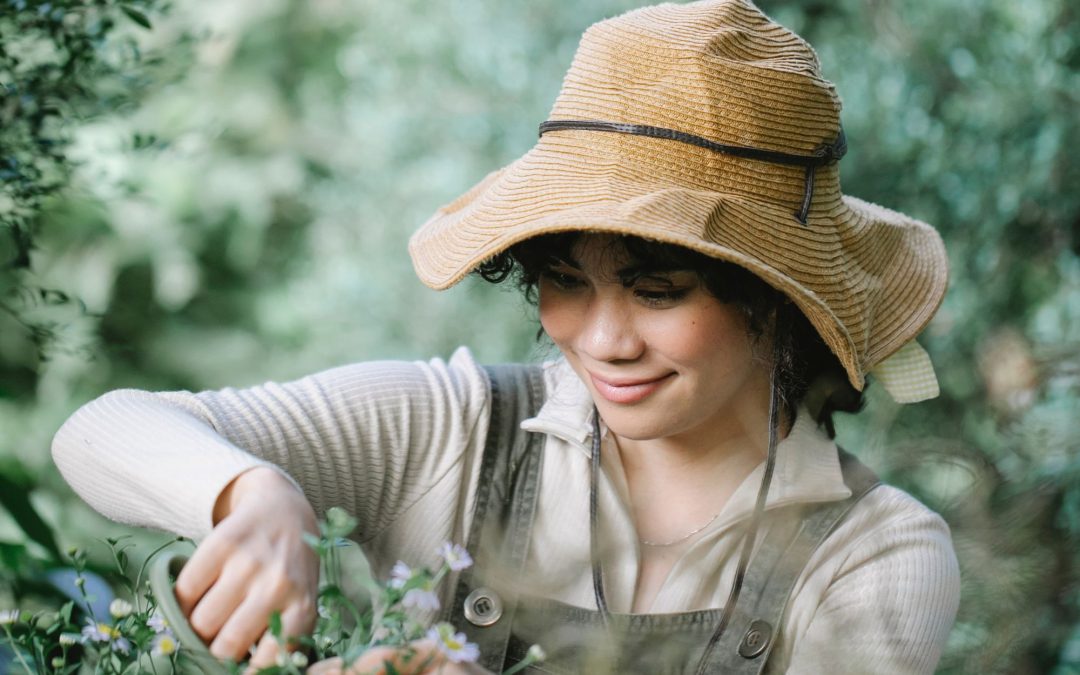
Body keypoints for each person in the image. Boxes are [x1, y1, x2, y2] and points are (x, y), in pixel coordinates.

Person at [51, 1, 960, 673]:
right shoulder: (451, 428)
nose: (602, 338)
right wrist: (254, 493)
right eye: (566, 280)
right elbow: (98, 432)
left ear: (772, 296)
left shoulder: (874, 554)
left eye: (657, 289)